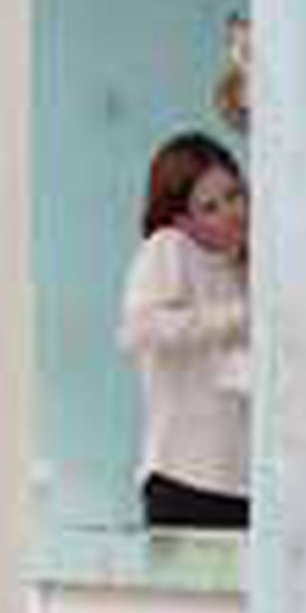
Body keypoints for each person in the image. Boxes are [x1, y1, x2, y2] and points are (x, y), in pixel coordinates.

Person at [119, 131, 251, 529]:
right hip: (185, 480)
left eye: (234, 195)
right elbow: (139, 330)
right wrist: (237, 316)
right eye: (209, 207)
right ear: (183, 219)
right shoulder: (169, 247)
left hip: (243, 483)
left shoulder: (239, 267)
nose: (231, 212)